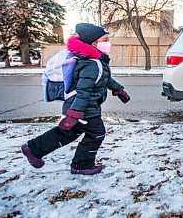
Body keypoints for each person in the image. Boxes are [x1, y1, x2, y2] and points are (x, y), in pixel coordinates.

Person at [21, 23, 131, 175]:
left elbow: (104, 79)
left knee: (68, 133)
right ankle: (82, 165)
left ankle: (33, 148)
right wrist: (75, 113)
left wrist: (118, 89)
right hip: (85, 108)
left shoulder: (96, 60)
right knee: (96, 133)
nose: (108, 43)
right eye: (105, 39)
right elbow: (83, 91)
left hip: (79, 107)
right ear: (94, 43)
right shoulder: (92, 64)